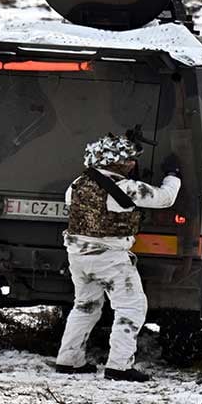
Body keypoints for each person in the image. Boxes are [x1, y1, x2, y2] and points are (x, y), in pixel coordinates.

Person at [55, 133, 181, 382]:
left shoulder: (77, 184)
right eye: (128, 160)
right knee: (132, 308)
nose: (132, 164)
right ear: (115, 163)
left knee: (85, 307)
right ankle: (119, 367)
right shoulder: (125, 188)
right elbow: (165, 198)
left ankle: (68, 361)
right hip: (110, 258)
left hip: (78, 255)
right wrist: (172, 175)